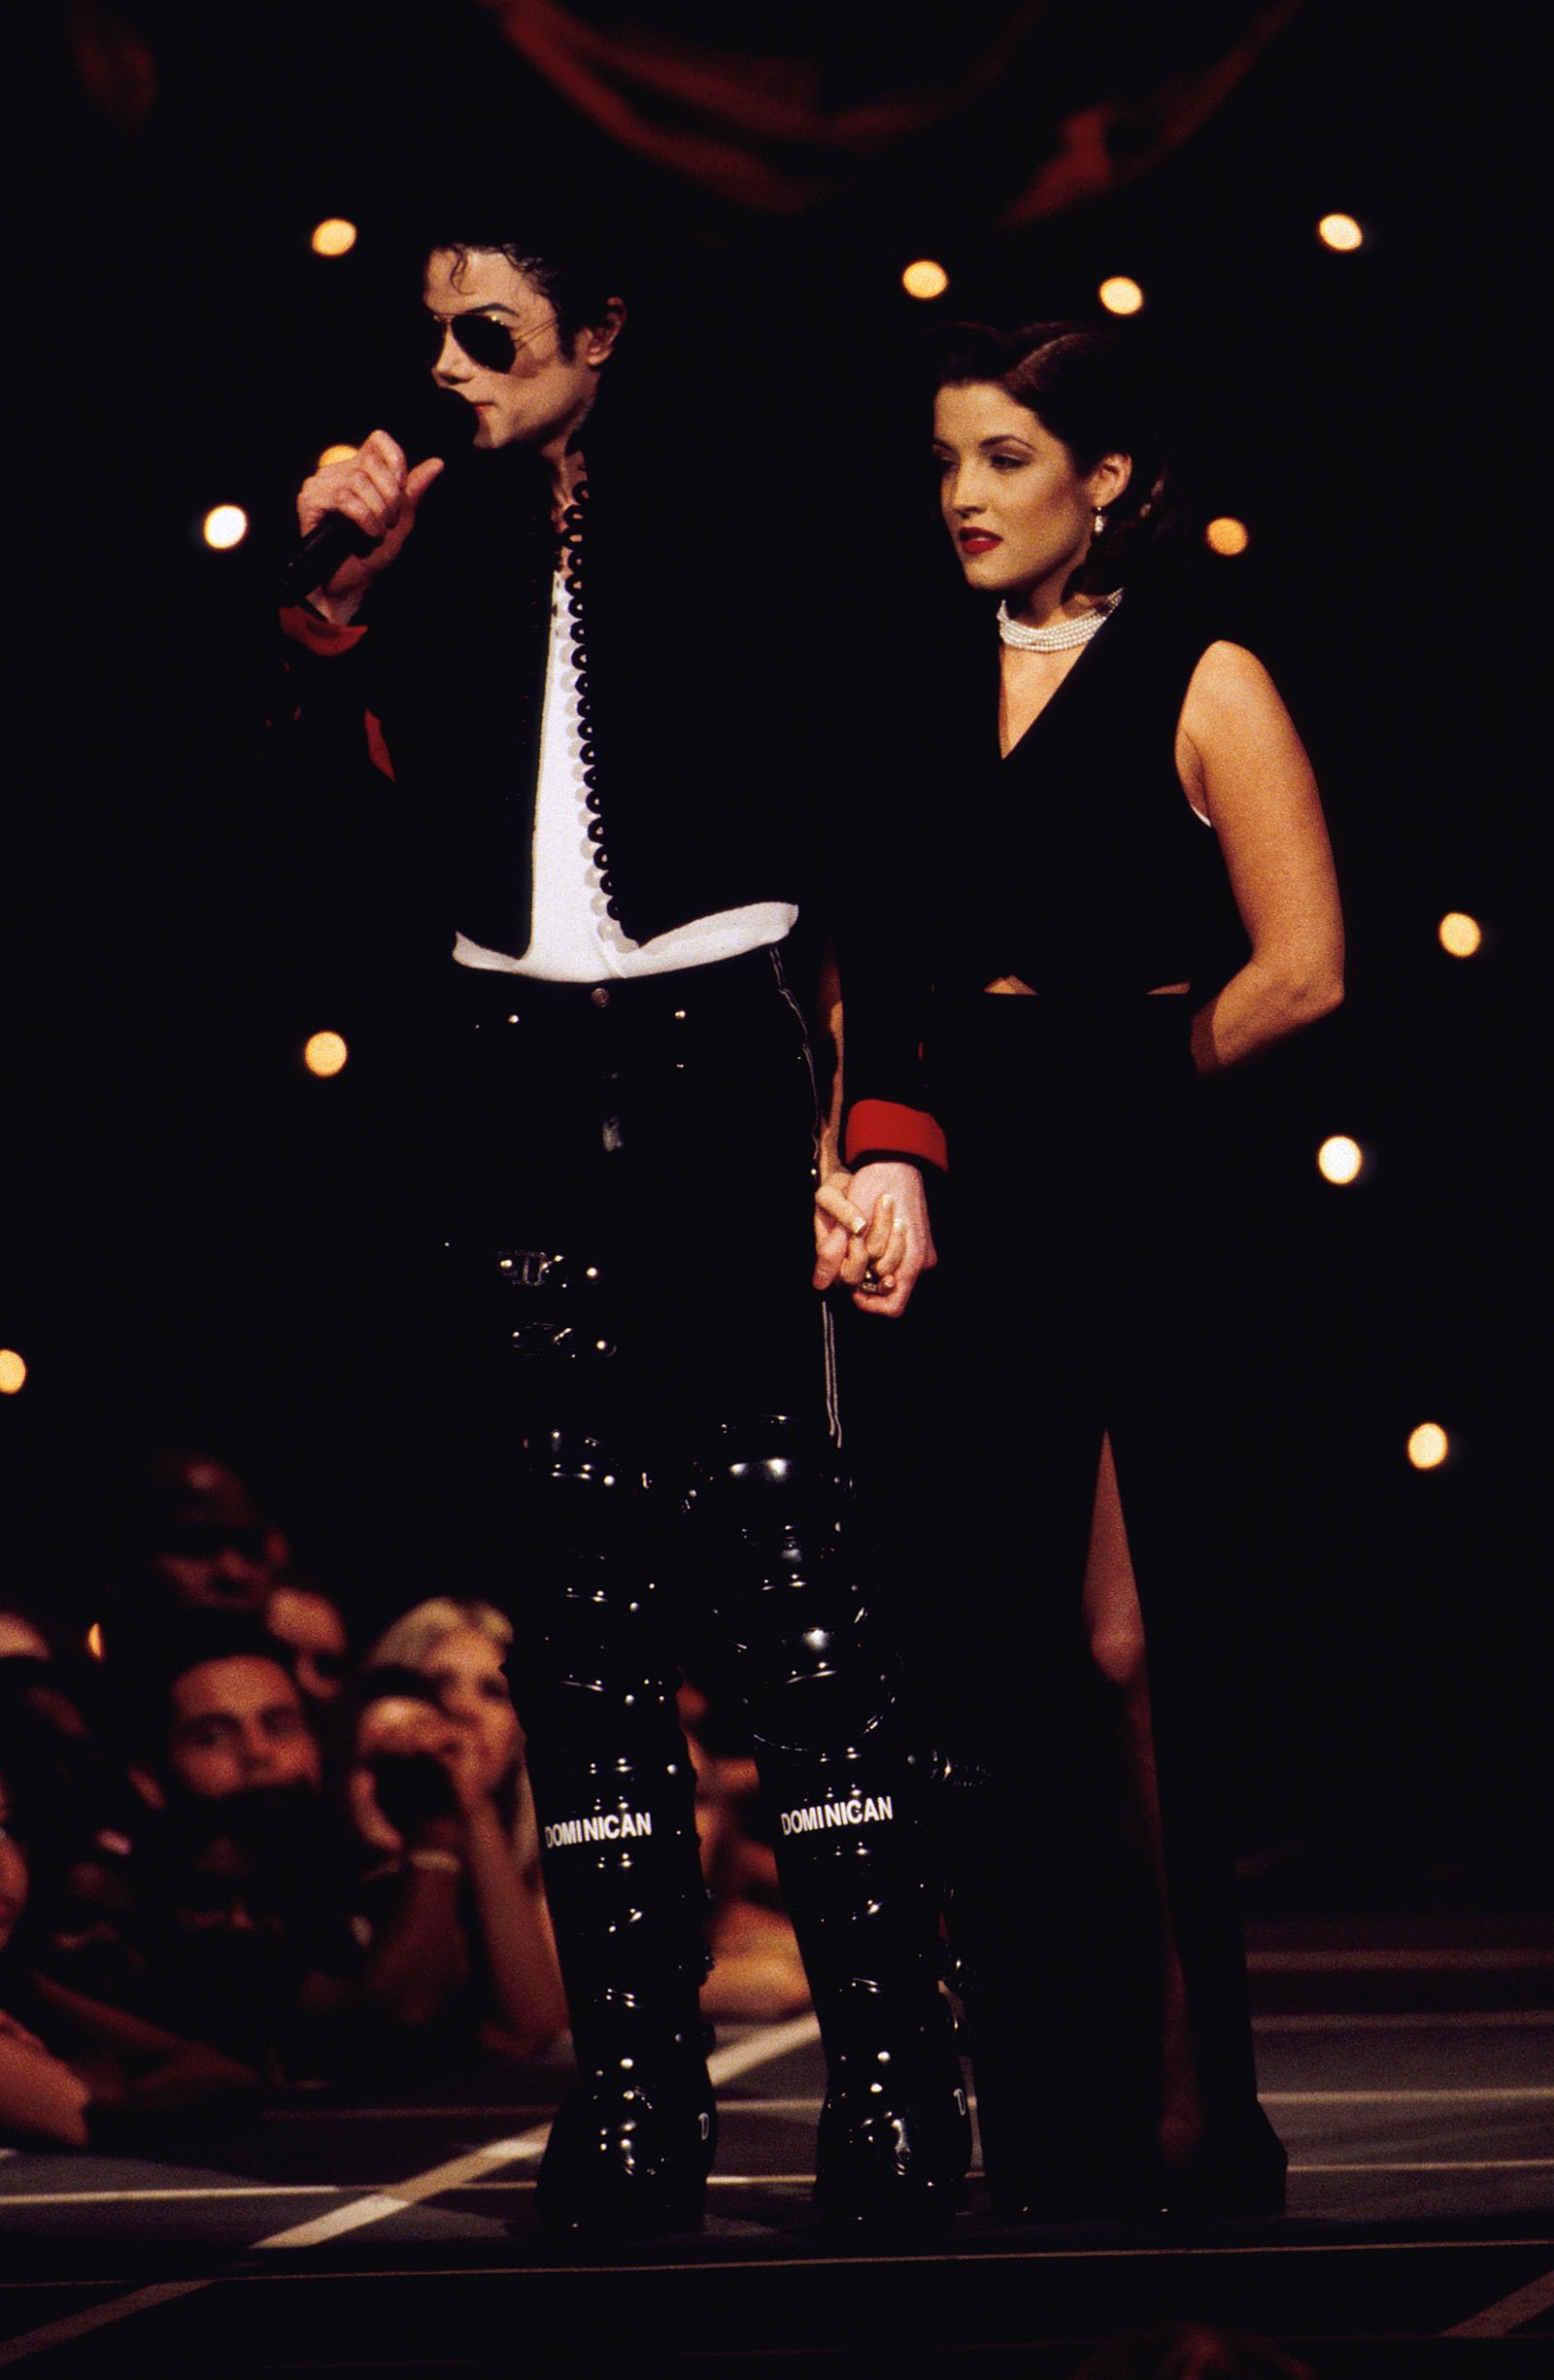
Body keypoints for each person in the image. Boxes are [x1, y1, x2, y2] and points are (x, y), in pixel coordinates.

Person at [277, 201, 968, 2235]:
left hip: (713, 1050)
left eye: (487, 336)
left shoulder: (748, 521)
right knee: (577, 1603)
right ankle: (640, 2102)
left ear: (597, 331)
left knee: (782, 1574)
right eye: (433, 338)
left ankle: (896, 2089)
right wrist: (335, 614)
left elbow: (889, 847)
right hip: (514, 1071)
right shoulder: (446, 553)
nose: (447, 374)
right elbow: (337, 847)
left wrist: (892, 1128)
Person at [815, 320, 1344, 2219]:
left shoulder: (1203, 676)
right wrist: (857, 1151)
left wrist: (1126, 1082)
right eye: (945, 457)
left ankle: (1197, 2114)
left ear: (1105, 476)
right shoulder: (917, 676)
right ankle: (1053, 2111)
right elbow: (868, 956)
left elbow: (1301, 965)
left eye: (1005, 458)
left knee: (1128, 1655)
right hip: (966, 1194)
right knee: (995, 1655)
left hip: (1137, 1188)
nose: (959, 495)